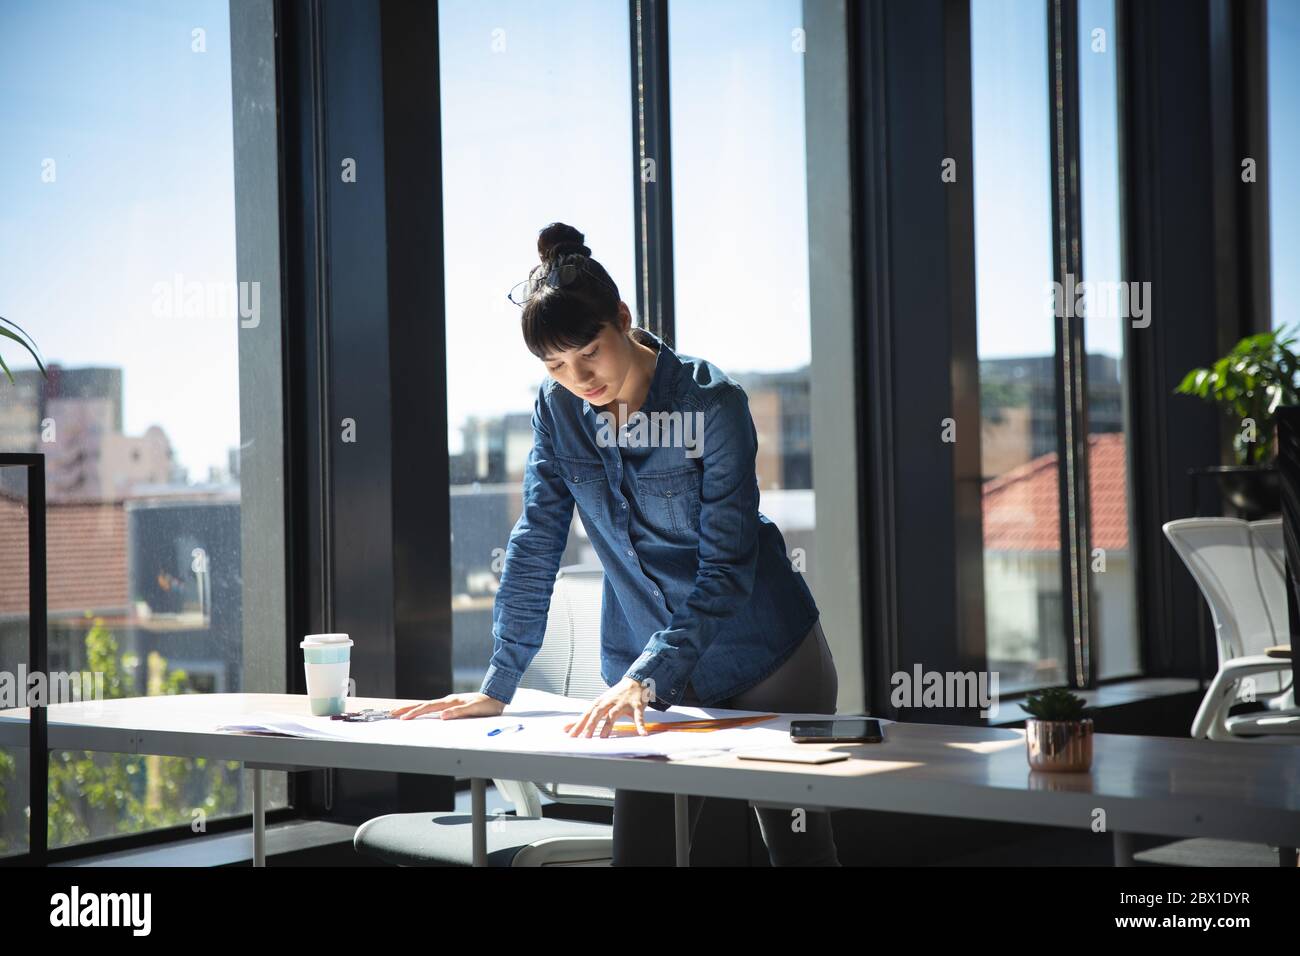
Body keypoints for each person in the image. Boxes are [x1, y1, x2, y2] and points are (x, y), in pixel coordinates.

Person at [391, 221, 840, 866]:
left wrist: (647, 678)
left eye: (588, 353)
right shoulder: (557, 411)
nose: (578, 379)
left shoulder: (711, 405)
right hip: (643, 674)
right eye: (555, 366)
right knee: (644, 853)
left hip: (765, 659)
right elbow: (536, 540)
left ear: (622, 318)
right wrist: (499, 681)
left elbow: (727, 568)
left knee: (801, 853)